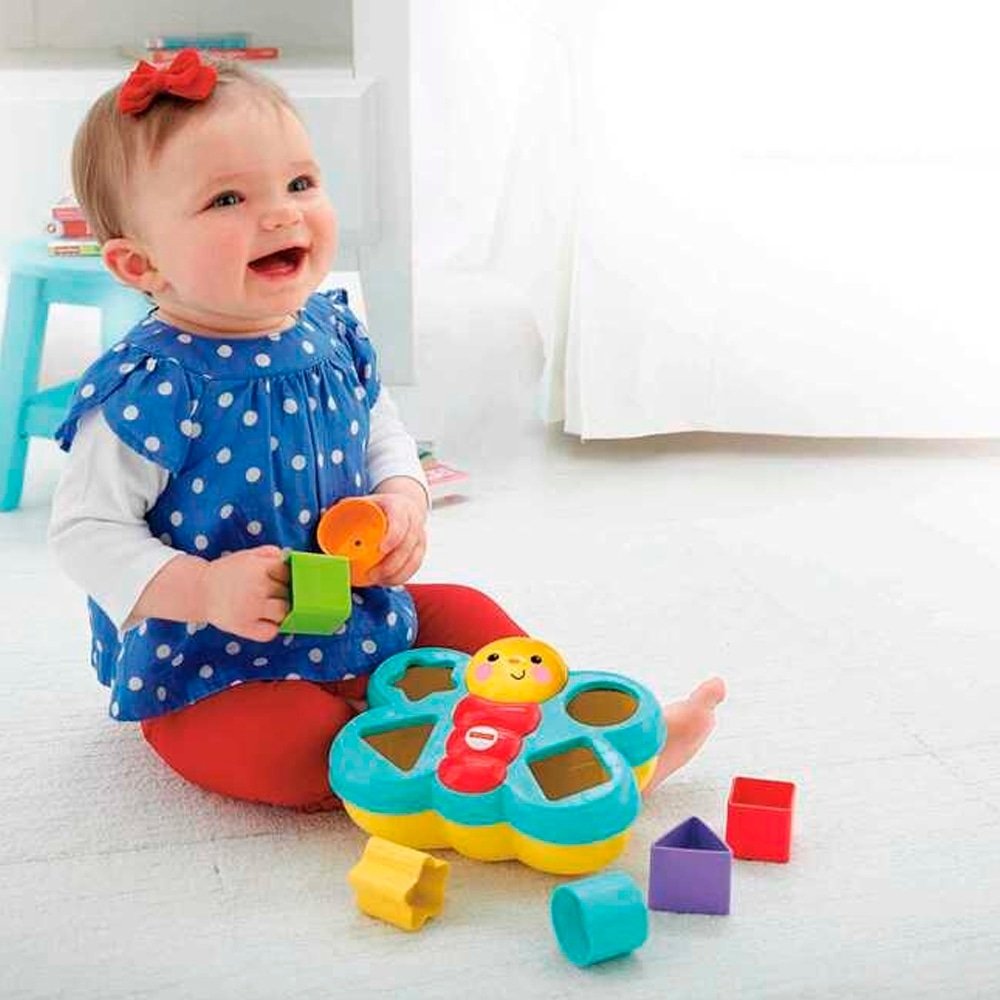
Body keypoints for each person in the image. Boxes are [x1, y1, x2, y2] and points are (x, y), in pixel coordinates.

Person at [48, 51, 724, 814]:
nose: (282, 214)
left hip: (357, 610)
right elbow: (84, 531)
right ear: (140, 264)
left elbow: (379, 430)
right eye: (228, 199)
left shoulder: (329, 331)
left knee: (474, 621)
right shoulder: (151, 388)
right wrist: (203, 590)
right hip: (212, 655)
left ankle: (585, 747)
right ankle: (440, 766)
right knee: (294, 750)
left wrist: (402, 498)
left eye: (300, 184)